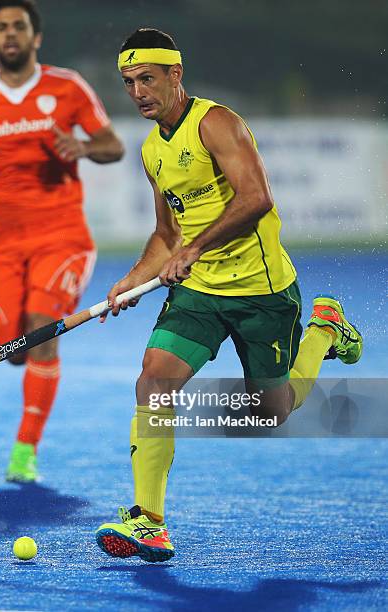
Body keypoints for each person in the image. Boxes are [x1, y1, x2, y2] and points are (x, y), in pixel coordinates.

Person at [95, 28, 362, 563]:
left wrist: (194, 247)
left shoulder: (216, 122)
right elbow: (166, 235)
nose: (139, 91)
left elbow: (257, 198)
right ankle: (149, 522)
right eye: (128, 82)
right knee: (154, 382)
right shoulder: (152, 150)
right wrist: (132, 278)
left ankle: (324, 331)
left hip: (263, 293)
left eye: (147, 78)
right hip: (200, 295)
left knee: (270, 412)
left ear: (176, 75)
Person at [0, 0, 124, 483]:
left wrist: (84, 148)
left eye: (19, 27)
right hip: (1, 240)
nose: (10, 34)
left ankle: (24, 452)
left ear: (36, 37)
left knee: (41, 328)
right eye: (2, 28)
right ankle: (23, 369)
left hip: (61, 235)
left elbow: (113, 145)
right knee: (15, 349)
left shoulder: (67, 87)